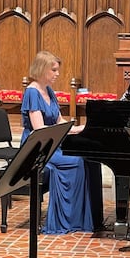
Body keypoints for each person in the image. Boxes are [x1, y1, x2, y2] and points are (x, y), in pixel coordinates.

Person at [21, 51, 104, 234]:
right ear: (43, 69)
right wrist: (66, 131)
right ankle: (67, 220)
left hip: (52, 143)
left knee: (88, 160)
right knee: (76, 162)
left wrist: (81, 128)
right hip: (37, 147)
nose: (57, 74)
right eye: (54, 70)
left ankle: (84, 218)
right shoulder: (32, 92)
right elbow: (40, 130)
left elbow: (58, 122)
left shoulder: (49, 91)